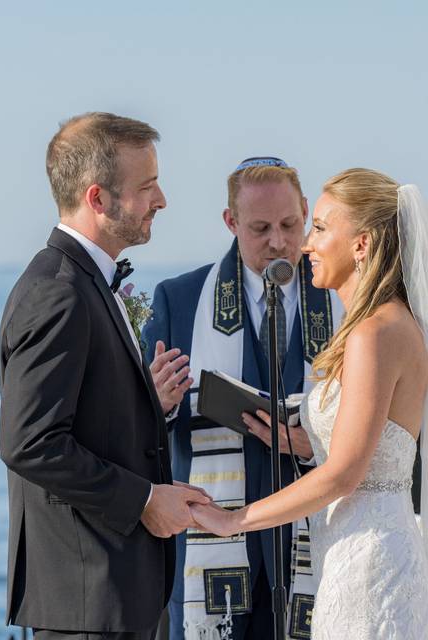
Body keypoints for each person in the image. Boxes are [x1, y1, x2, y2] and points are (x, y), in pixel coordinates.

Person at [191, 168, 428, 638]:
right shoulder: (390, 324)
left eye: (318, 227)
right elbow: (374, 446)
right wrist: (304, 443)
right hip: (356, 554)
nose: (305, 244)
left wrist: (233, 519)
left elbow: (345, 473)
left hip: (368, 566)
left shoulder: (374, 334)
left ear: (360, 245)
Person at [0, 112, 210, 639]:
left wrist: (147, 404)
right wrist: (145, 500)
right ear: (97, 198)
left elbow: (86, 416)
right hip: (88, 597)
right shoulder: (59, 292)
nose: (162, 200)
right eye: (147, 187)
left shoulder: (88, 281)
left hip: (111, 595)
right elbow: (31, 443)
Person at [141, 157, 344, 639]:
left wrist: (312, 442)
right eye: (260, 228)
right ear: (231, 222)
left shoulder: (339, 299)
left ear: (306, 212)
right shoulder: (181, 299)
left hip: (317, 549)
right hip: (210, 545)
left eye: (290, 224)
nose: (279, 241)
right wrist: (158, 404)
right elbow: (141, 430)